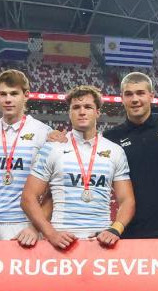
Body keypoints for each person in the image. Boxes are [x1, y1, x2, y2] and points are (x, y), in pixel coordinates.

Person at [22, 85, 135, 248]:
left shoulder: (115, 151)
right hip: (61, 240)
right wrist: (51, 233)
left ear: (97, 112)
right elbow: (28, 198)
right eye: (76, 107)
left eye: (88, 107)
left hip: (100, 240)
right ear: (70, 112)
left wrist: (115, 230)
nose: (82, 112)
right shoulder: (52, 148)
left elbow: (127, 200)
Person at [0, 69, 53, 246]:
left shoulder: (43, 132)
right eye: (3, 94)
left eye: (14, 94)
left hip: (27, 225)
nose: (8, 99)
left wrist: (37, 227)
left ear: (26, 95)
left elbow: (53, 191)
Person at [105, 72, 158, 239]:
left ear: (151, 96)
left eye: (140, 93)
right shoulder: (110, 138)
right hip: (129, 231)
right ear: (122, 98)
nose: (135, 99)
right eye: (129, 94)